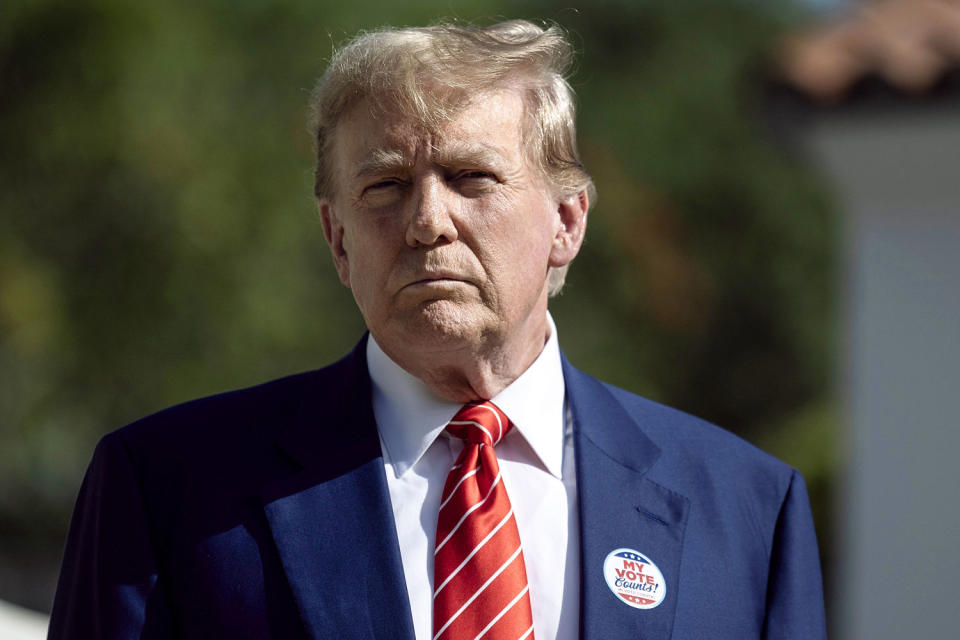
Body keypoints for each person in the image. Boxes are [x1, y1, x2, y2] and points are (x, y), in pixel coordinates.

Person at [48, 20, 827, 640]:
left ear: (566, 221)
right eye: (385, 185)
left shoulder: (744, 507)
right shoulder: (169, 487)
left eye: (471, 177)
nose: (426, 221)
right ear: (338, 239)